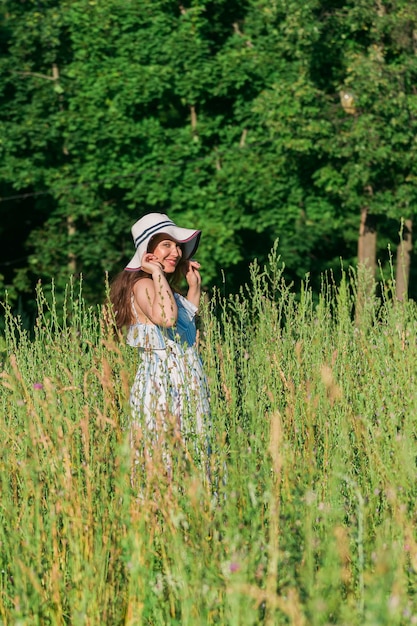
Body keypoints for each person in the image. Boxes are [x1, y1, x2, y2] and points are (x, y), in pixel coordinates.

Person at [109, 212, 210, 460]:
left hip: (183, 378)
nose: (176, 251)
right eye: (167, 244)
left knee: (190, 452)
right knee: (165, 455)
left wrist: (193, 287)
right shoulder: (143, 284)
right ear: (148, 250)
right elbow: (167, 318)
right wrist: (155, 273)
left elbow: (184, 330)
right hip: (162, 383)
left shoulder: (162, 286)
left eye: (177, 246)